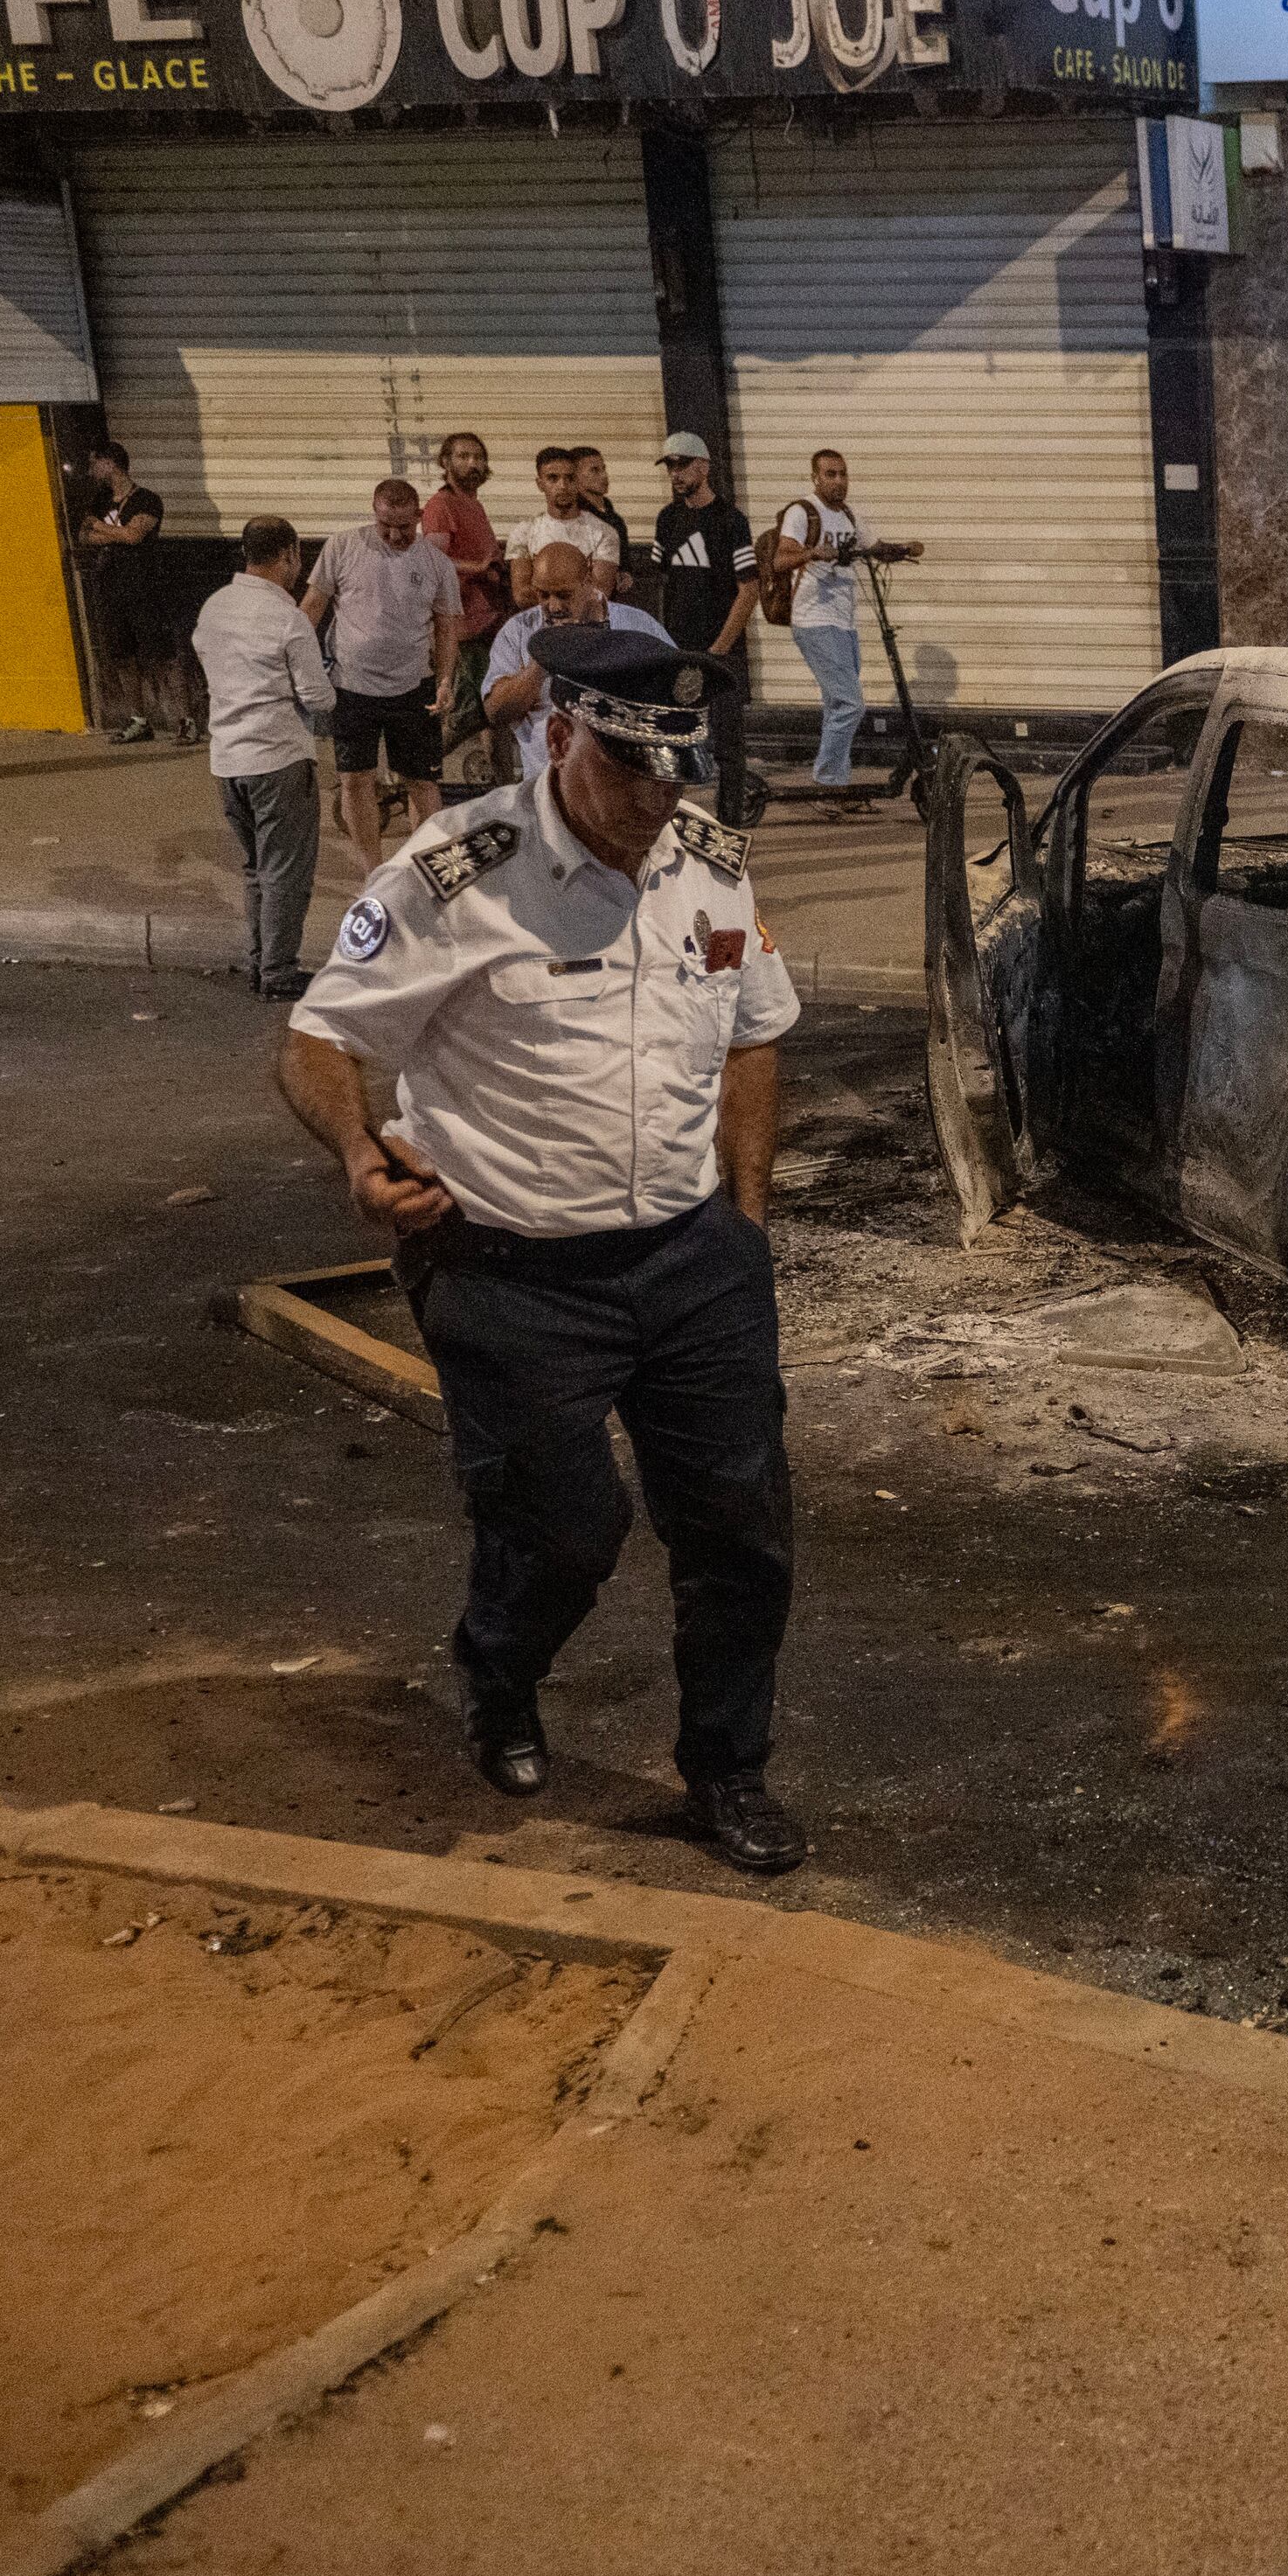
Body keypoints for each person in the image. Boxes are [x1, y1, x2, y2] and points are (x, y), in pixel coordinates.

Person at [271, 624, 807, 1876]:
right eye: (631, 771)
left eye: (681, 773)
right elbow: (317, 1037)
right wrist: (359, 1155)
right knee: (565, 1529)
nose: (657, 802)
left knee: (742, 1526)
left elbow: (754, 1034)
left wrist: (747, 1217)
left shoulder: (710, 865)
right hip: (508, 1271)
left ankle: (728, 1769)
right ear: (557, 734)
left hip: (691, 1262)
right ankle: (499, 1674)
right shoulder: (454, 872)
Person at [191, 515, 339, 998]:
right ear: (288, 556)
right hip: (277, 759)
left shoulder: (214, 608)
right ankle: (279, 971)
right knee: (285, 871)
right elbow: (319, 698)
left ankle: (259, 963)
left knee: (255, 867)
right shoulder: (288, 619)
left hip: (227, 760)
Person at [302, 476, 464, 876]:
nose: (394, 536)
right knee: (356, 780)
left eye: (405, 528)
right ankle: (372, 874)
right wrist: (299, 669)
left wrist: (445, 681)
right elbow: (311, 608)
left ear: (421, 517)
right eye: (385, 526)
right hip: (350, 687)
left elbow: (447, 629)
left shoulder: (437, 565)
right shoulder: (342, 546)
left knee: (422, 784)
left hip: (414, 687)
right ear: (374, 514)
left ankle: (427, 872)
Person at [765, 449, 920, 798]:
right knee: (851, 704)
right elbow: (780, 559)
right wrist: (812, 553)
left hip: (844, 622)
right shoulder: (802, 512)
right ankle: (828, 784)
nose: (838, 481)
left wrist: (903, 549)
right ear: (815, 478)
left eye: (843, 474)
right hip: (814, 619)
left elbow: (874, 547)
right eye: (830, 475)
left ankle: (839, 785)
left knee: (839, 705)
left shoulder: (848, 515)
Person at [480, 542, 672, 783]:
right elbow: (495, 713)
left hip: (622, 785)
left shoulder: (638, 626)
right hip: (546, 789)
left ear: (588, 580)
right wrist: (542, 660)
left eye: (564, 595)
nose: (554, 606)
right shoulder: (518, 631)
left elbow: (672, 701)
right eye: (543, 594)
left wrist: (600, 637)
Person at [646, 431, 762, 825]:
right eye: (670, 467)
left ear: (704, 466)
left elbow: (749, 589)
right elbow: (660, 582)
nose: (676, 474)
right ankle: (667, 821)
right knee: (670, 738)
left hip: (718, 649)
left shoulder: (731, 521)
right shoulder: (667, 519)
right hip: (677, 647)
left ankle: (730, 823)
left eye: (682, 464)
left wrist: (720, 648)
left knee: (728, 744)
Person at [74, 439, 192, 745]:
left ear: (111, 462)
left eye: (95, 462)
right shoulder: (100, 500)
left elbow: (134, 535)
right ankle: (140, 721)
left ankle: (186, 721)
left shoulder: (147, 500)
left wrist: (105, 531)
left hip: (145, 590)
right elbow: (84, 535)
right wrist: (111, 533)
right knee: (123, 659)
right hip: (112, 591)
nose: (91, 469)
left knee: (163, 658)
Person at [421, 433, 507, 787]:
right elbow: (431, 561)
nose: (472, 463)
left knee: (496, 707)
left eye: (477, 457)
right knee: (471, 712)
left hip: (486, 620)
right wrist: (478, 567)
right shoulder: (441, 506)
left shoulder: (473, 503)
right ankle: (413, 770)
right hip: (462, 626)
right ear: (445, 462)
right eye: (462, 456)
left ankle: (502, 783)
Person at [504, 445, 623, 599]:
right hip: (538, 621)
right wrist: (571, 593)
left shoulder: (603, 532)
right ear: (540, 484)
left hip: (586, 622)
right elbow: (522, 595)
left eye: (570, 478)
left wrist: (547, 592)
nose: (563, 486)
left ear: (578, 481)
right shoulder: (524, 532)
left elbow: (599, 594)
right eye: (553, 478)